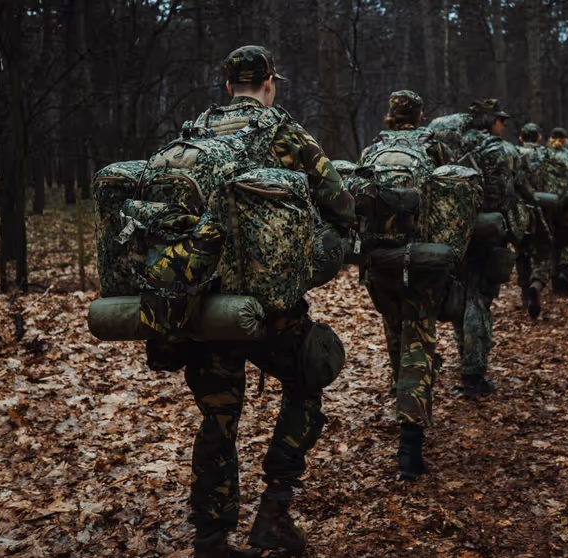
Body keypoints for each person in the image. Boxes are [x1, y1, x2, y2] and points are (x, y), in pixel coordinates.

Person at [177, 45, 355, 557]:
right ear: (270, 83)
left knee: (218, 418)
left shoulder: (194, 133)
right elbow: (339, 201)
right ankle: (275, 510)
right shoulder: (285, 132)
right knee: (309, 376)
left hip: (205, 300)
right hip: (270, 306)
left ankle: (210, 539)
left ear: (227, 85)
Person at [357, 90, 453, 480]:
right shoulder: (434, 149)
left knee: (395, 330)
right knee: (419, 338)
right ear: (420, 115)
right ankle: (410, 444)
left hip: (380, 262)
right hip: (421, 261)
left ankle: (402, 401)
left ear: (390, 115)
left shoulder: (371, 151)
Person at [443, 99, 526, 396]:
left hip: (450, 232)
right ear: (489, 121)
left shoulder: (449, 142)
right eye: (500, 120)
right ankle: (473, 374)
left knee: (462, 296)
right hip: (485, 234)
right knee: (478, 301)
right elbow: (505, 193)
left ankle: (465, 358)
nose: (503, 125)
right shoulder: (493, 149)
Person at [516, 122, 552, 318]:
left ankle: (524, 294)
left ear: (521, 138)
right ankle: (537, 283)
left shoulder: (513, 153)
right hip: (542, 211)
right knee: (543, 252)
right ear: (539, 138)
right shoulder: (547, 155)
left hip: (520, 213)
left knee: (521, 252)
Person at [546, 127, 568, 295]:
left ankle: (553, 274)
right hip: (565, 205)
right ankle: (564, 271)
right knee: (567, 240)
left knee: (551, 241)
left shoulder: (543, 155)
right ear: (565, 140)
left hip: (546, 204)